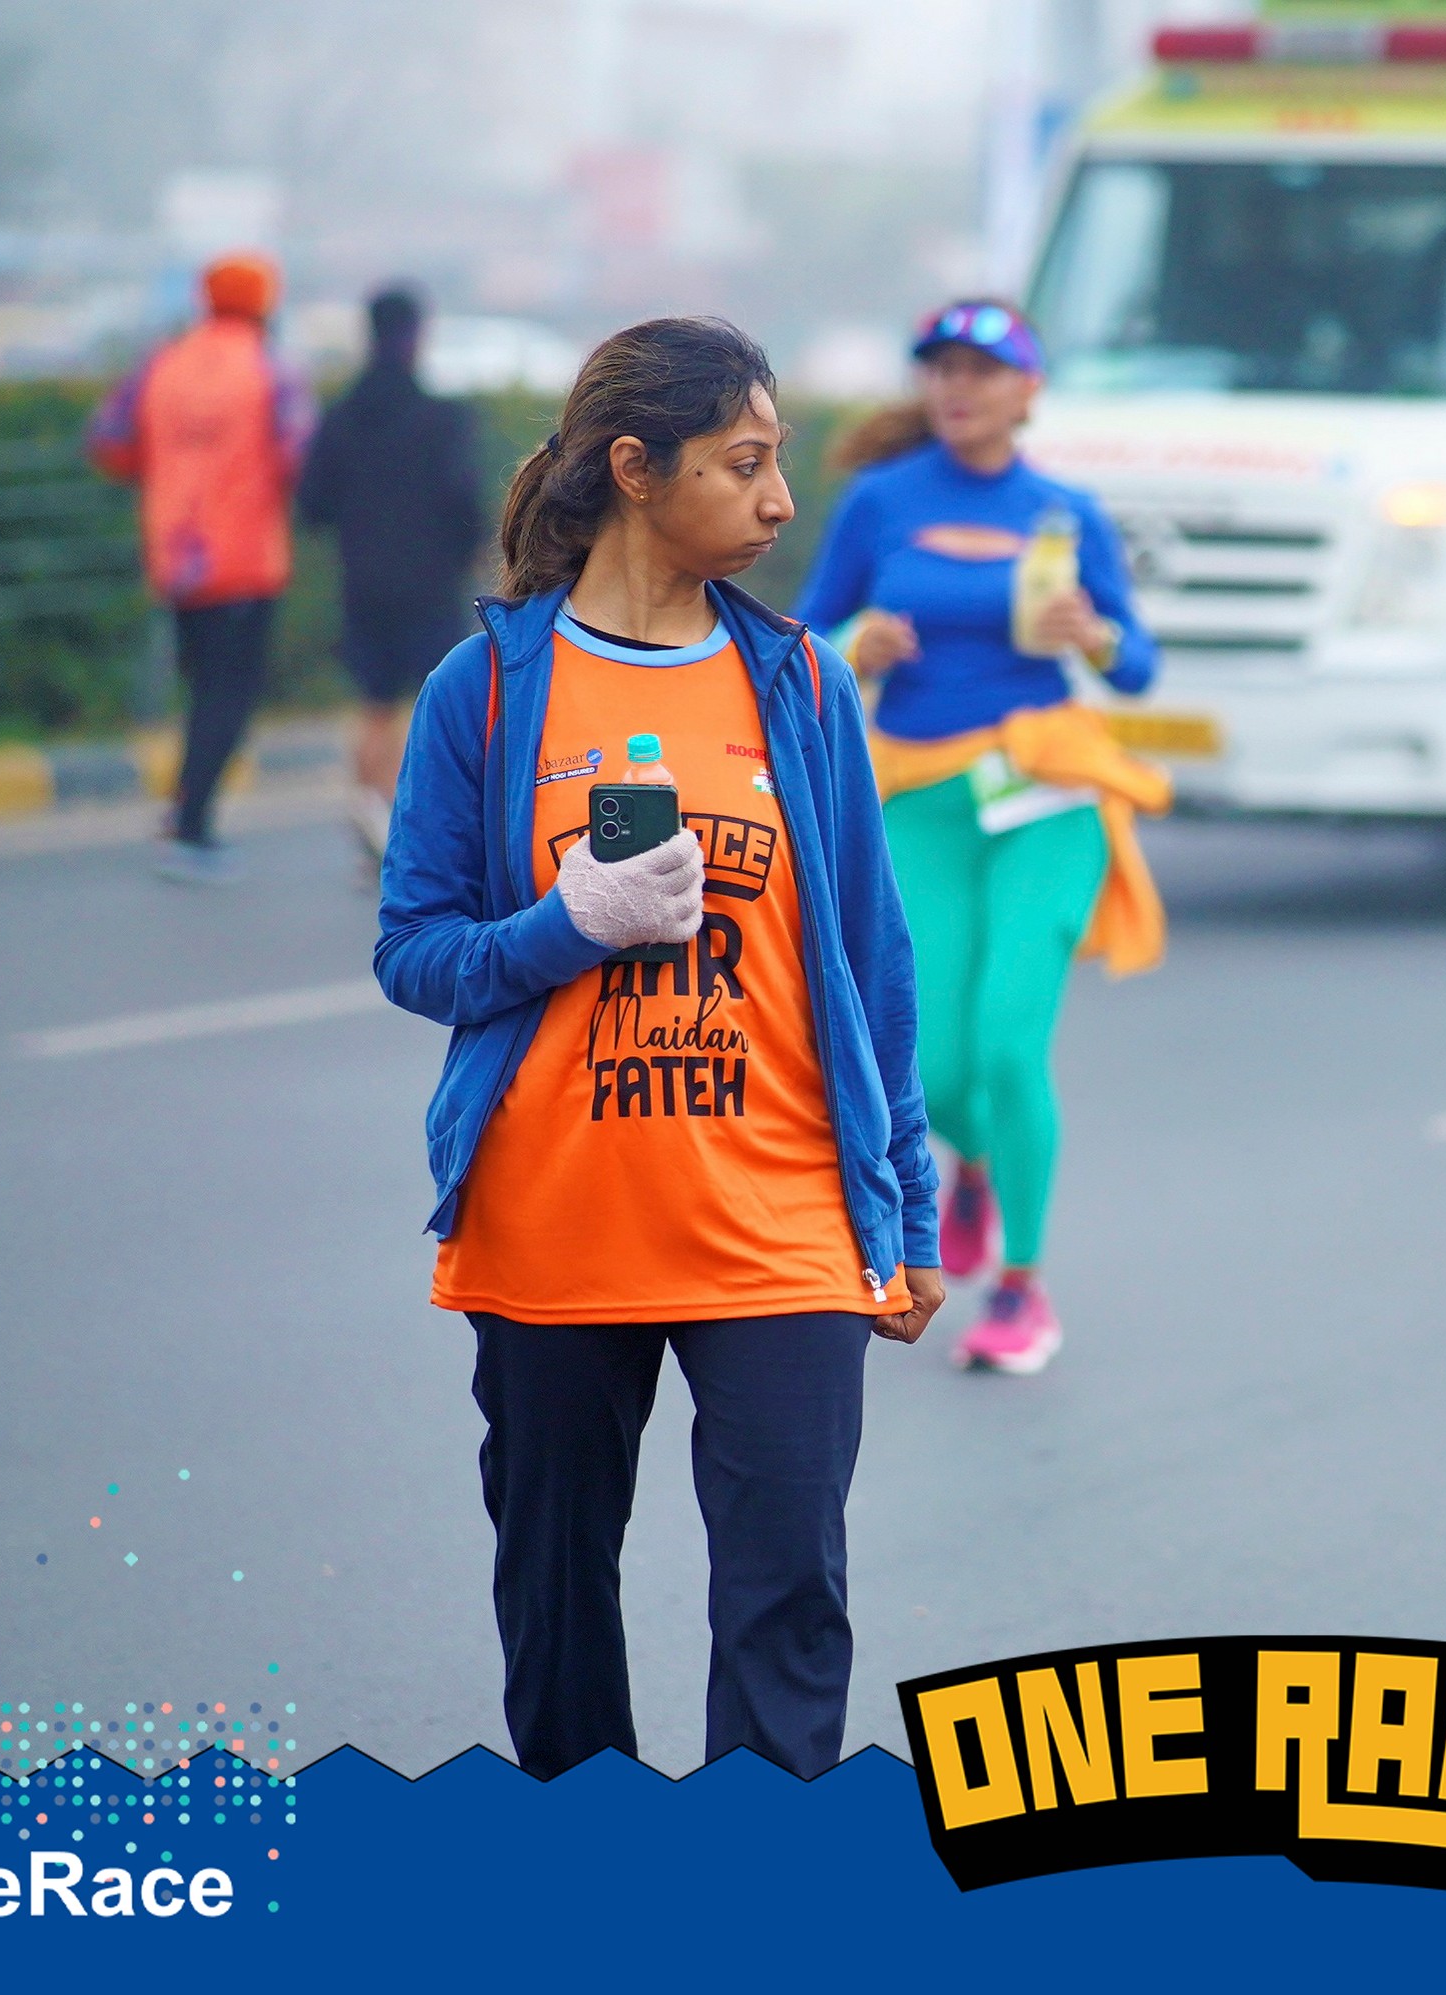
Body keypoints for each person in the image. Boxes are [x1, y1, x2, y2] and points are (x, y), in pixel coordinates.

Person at [374, 317, 943, 1779]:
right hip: (557, 1225)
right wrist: (563, 927)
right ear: (635, 469)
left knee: (789, 1601)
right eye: (743, 465)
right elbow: (414, 950)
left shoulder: (800, 685)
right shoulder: (485, 693)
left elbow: (872, 962)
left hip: (778, 1221)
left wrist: (907, 1209)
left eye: (779, 463)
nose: (780, 501)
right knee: (556, 1598)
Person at [795, 299, 1166, 1378]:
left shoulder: (1065, 512)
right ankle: (974, 1169)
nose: (957, 388)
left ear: (1027, 390)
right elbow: (802, 642)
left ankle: (1021, 1288)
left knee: (1008, 1044)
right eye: (941, 369)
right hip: (919, 799)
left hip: (1047, 795)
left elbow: (1138, 665)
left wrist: (1093, 633)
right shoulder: (880, 501)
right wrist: (851, 642)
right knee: (928, 1062)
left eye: (982, 369)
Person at [87, 250, 316, 884]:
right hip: (244, 560)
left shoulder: (162, 363)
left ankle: (184, 808)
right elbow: (301, 457)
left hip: (175, 560)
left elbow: (108, 441)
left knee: (201, 691)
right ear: (265, 306)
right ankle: (191, 827)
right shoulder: (271, 371)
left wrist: (164, 471)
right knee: (229, 696)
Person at [298, 284, 485, 861]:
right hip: (433, 582)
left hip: (364, 582)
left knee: (374, 706)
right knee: (438, 705)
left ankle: (369, 815)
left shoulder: (340, 417)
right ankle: (415, 834)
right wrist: (468, 554)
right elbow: (465, 501)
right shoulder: (443, 418)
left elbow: (312, 505)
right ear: (417, 335)